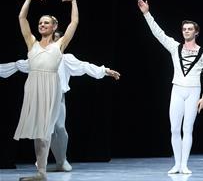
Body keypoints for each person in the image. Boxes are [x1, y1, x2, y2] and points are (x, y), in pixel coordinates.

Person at [2, 31, 120, 172]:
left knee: (60, 128)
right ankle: (57, 161)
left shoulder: (66, 59)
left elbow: (84, 66)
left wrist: (105, 71)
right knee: (47, 131)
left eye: (57, 39)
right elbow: (18, 65)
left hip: (58, 97)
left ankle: (62, 159)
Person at [137, 0, 203, 174]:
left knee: (188, 128)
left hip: (194, 91)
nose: (186, 31)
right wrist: (147, 13)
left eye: (190, 29)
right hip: (177, 89)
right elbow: (159, 33)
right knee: (174, 128)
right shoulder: (175, 47)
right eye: (184, 29)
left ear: (196, 32)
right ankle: (177, 163)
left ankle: (185, 164)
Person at [13, 0, 79, 181]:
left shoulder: (59, 45)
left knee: (45, 129)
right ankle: (41, 171)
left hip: (51, 88)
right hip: (33, 87)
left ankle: (41, 173)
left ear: (54, 26)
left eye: (46, 22)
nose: (42, 24)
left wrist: (73, 1)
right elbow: (21, 17)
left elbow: (74, 22)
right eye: (40, 22)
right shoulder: (31, 43)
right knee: (37, 130)